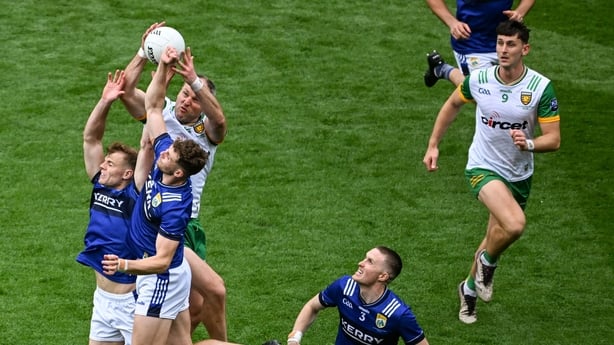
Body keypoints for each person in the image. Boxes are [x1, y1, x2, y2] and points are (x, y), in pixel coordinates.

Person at [422, 20, 561, 324]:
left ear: (525, 49)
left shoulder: (539, 87)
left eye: (510, 44)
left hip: (520, 174)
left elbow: (554, 139)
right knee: (514, 225)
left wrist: (530, 144)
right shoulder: (480, 79)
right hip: (483, 167)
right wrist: (433, 144)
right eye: (499, 43)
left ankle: (469, 290)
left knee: (495, 235)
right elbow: (451, 105)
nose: (503, 49)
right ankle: (487, 264)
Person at [120, 22, 229, 341]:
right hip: (155, 217)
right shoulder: (161, 113)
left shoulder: (205, 133)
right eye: (183, 94)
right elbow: (126, 92)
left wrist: (193, 81)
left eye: (194, 99)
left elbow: (220, 121)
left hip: (183, 221)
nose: (185, 102)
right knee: (213, 291)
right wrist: (144, 52)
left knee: (193, 306)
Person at [102, 46, 209, 345]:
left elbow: (162, 260)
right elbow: (153, 107)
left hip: (161, 280)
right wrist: (162, 67)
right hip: (165, 276)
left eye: (169, 155)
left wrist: (124, 265)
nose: (163, 152)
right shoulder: (166, 157)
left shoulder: (175, 208)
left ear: (179, 173)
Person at [77, 69, 150, 345]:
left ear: (127, 174)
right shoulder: (99, 184)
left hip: (131, 302)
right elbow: (91, 139)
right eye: (105, 160)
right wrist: (105, 100)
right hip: (102, 300)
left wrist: (153, 105)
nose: (103, 165)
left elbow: (147, 144)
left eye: (111, 163)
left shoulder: (137, 193)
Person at [287, 246, 430, 345]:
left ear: (382, 276)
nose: (360, 263)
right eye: (364, 258)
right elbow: (312, 306)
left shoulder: (398, 314)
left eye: (370, 261)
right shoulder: (344, 287)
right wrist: (295, 338)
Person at [423, 0, 535, 87]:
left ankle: (440, 69)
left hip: (504, 41)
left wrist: (520, 11)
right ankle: (443, 70)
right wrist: (452, 22)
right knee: (483, 97)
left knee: (510, 90)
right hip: (472, 43)